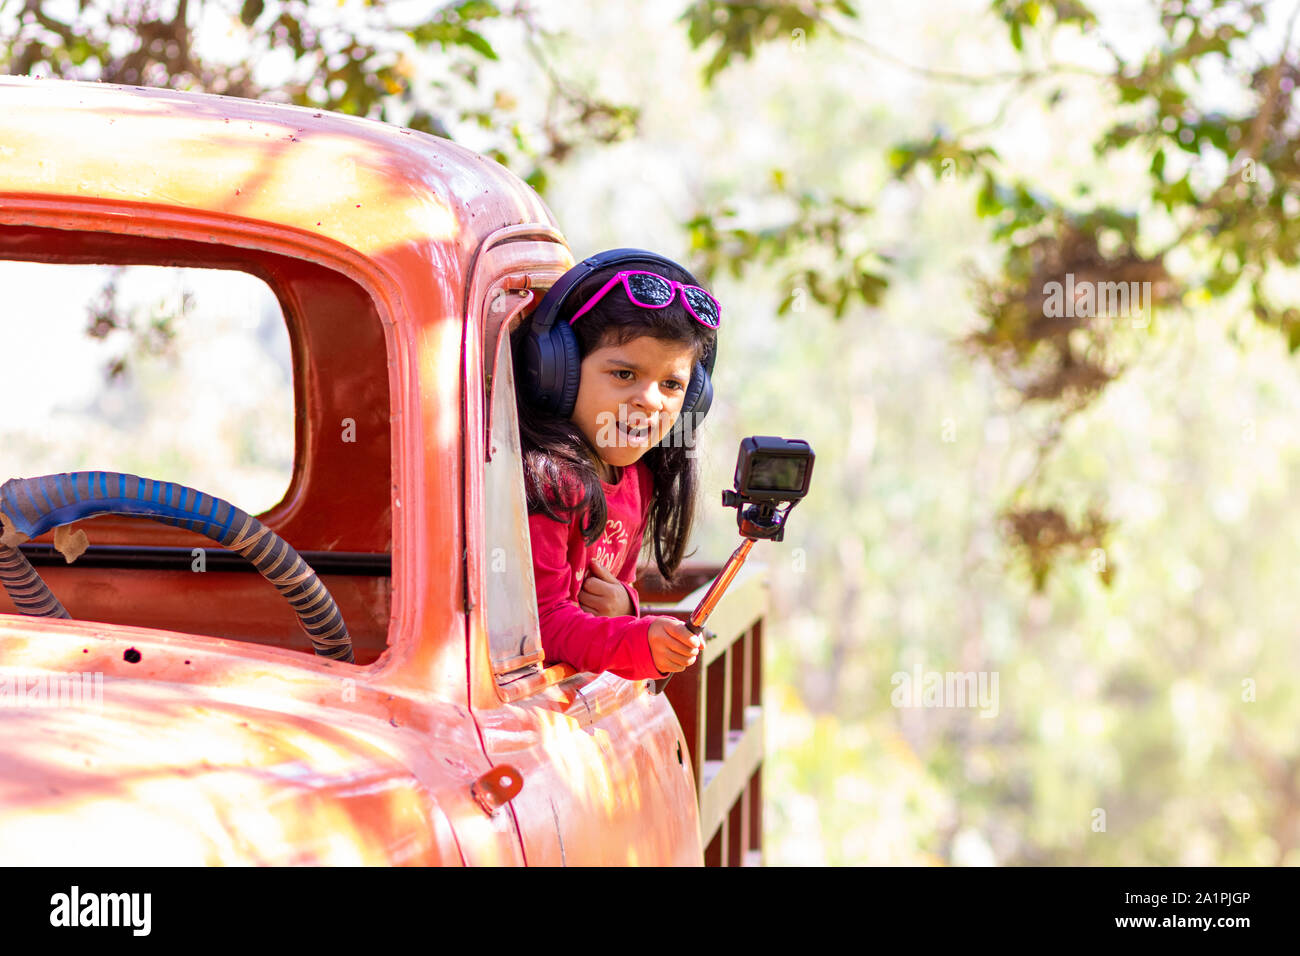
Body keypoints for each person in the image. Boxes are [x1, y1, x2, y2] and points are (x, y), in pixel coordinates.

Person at [512, 249, 720, 681]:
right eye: (624, 374)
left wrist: (627, 605)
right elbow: (541, 625)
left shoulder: (638, 479)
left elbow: (611, 589)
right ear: (556, 371)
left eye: (671, 384)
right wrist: (639, 641)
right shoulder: (551, 484)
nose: (650, 399)